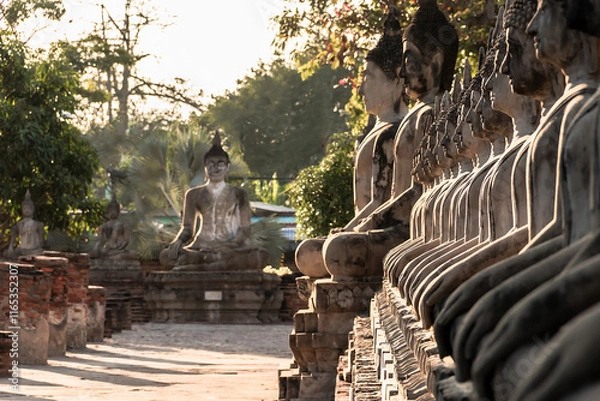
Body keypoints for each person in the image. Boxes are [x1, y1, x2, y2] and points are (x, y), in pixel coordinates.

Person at [294, 9, 407, 279]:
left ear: (396, 82)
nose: (362, 88)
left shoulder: (394, 132)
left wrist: (351, 231)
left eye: (369, 78)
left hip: (386, 231)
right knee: (307, 253)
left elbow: (384, 204)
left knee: (330, 251)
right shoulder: (376, 131)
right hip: (365, 230)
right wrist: (349, 229)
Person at [159, 133, 269, 271]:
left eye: (220, 164)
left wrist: (233, 244)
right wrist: (178, 241)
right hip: (199, 247)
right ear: (205, 167)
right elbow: (187, 228)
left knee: (260, 255)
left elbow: (244, 229)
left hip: (228, 248)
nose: (215, 168)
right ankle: (214, 264)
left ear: (227, 167)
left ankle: (203, 266)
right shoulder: (193, 194)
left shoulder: (239, 194)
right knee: (166, 256)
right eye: (211, 164)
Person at [6, 190, 44, 260]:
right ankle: (14, 270)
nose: (27, 210)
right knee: (9, 255)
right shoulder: (19, 224)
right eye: (25, 208)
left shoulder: (38, 224)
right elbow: (13, 236)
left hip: (34, 250)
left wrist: (38, 245)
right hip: (22, 249)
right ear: (22, 210)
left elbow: (41, 241)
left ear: (33, 210)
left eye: (29, 208)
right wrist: (11, 247)